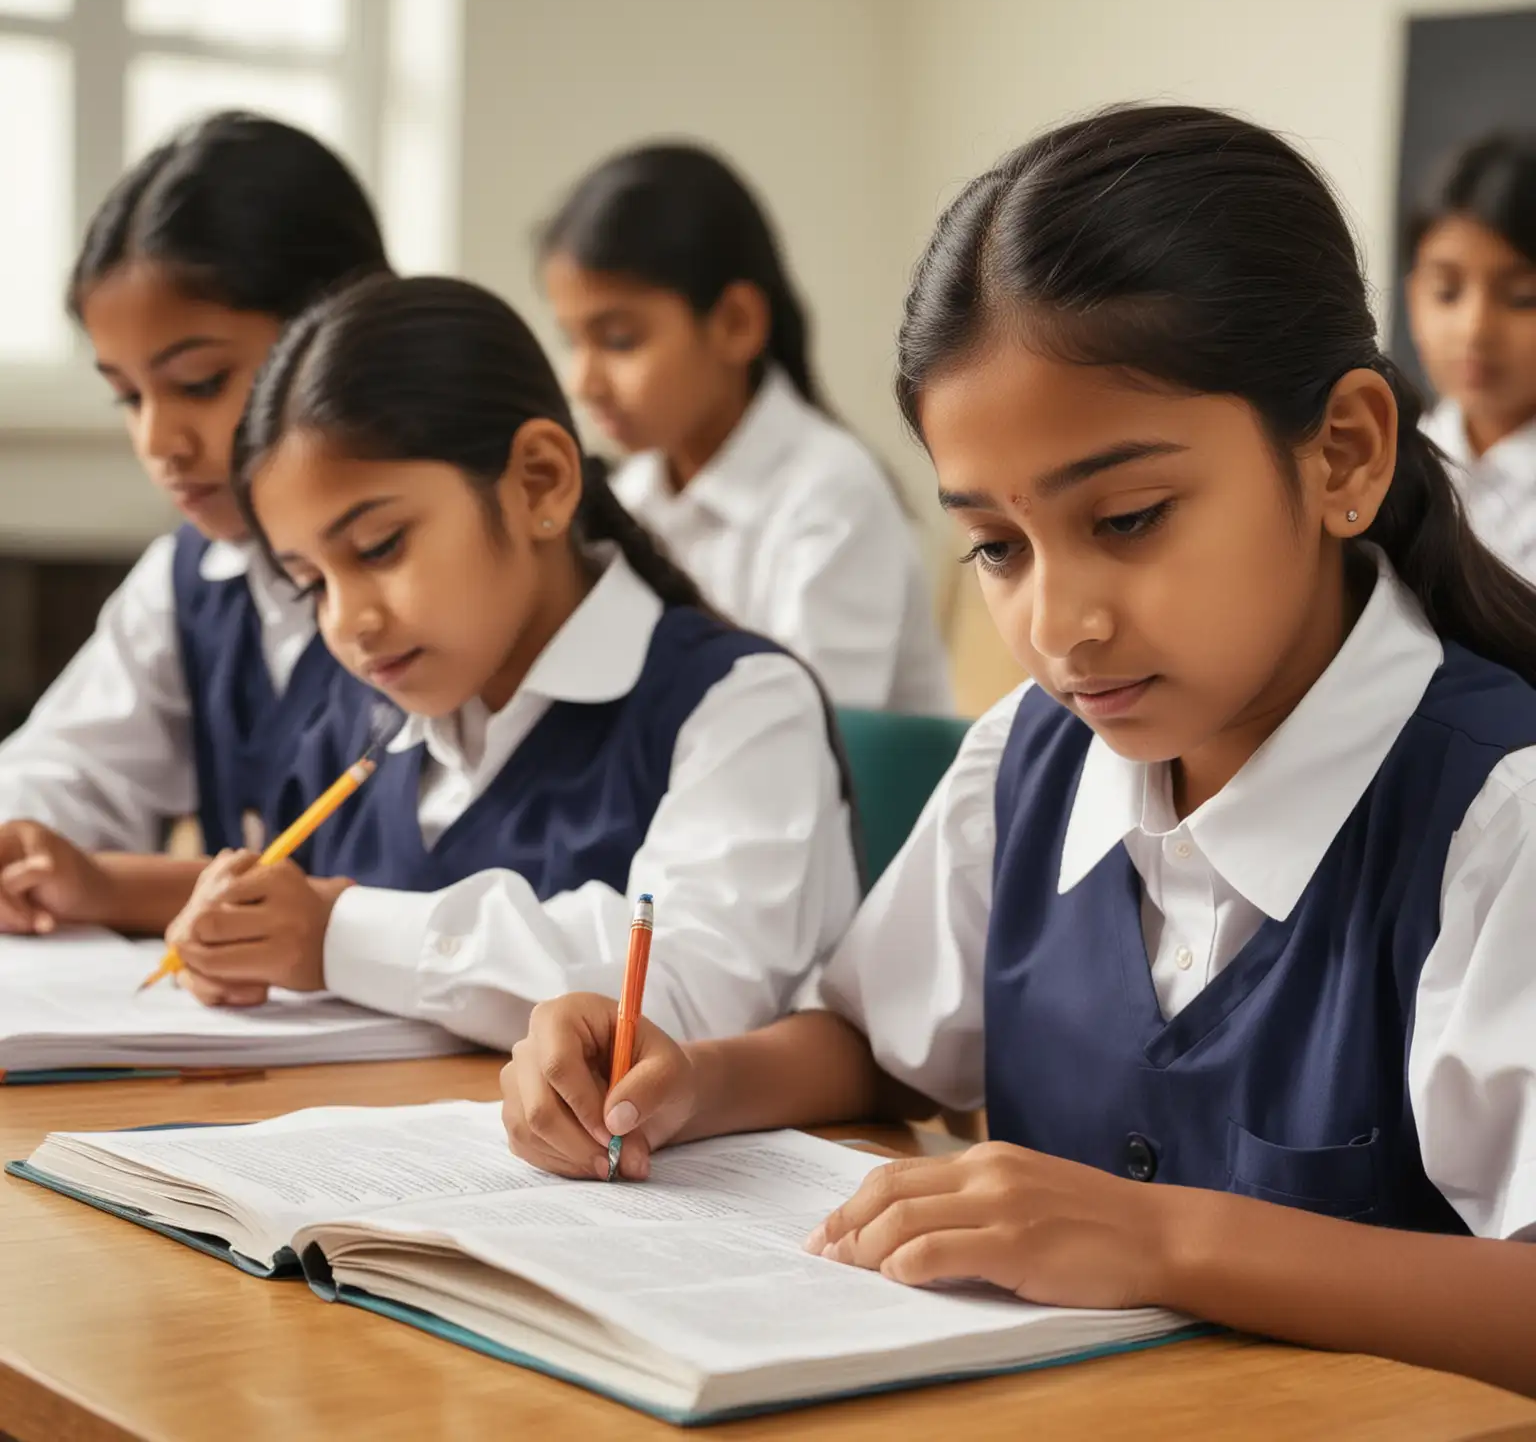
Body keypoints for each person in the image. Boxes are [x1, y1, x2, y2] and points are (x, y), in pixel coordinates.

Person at [501, 106, 1536, 1397]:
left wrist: (1161, 1239)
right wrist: (683, 1077)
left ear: (1344, 454)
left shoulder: (1499, 815)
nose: (1058, 624)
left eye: (1131, 516)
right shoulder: (1034, 757)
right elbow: (878, 1043)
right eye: (997, 546)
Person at [164, 275, 860, 1053]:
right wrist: (245, 939)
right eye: (310, 582)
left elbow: (682, 994)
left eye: (380, 546)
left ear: (541, 481)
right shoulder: (361, 722)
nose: (347, 619)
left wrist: (338, 935)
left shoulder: (739, 707)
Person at [0, 112, 387, 935]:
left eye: (201, 382)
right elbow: (67, 767)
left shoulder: (462, 588)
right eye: (129, 395)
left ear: (339, 334)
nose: (157, 443)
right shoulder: (189, 579)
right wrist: (20, 839)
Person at [540, 143, 953, 715]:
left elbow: (807, 735)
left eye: (618, 340)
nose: (583, 381)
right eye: (571, 340)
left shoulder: (832, 495)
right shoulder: (631, 499)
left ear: (736, 323)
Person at [1407, 132, 1536, 581]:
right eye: (1447, 292)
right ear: (1412, 295)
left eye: (1522, 297)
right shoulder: (1389, 469)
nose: (1475, 329)